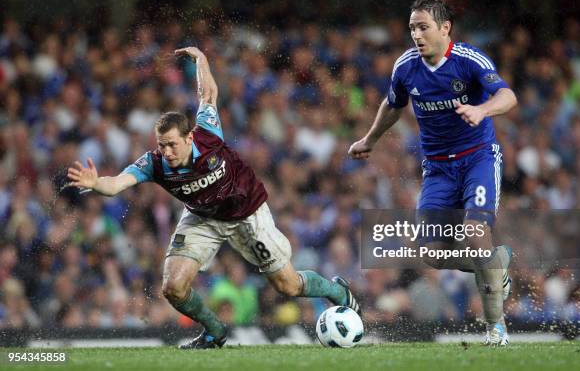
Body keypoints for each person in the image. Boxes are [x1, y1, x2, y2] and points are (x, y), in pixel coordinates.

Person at [67, 46, 360, 349]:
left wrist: (202, 62)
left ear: (189, 137)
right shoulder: (153, 164)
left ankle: (336, 291)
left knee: (287, 285)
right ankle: (214, 331)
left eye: (171, 145)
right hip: (203, 218)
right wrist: (96, 182)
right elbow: (117, 183)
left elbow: (207, 95)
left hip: (248, 213)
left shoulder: (208, 132)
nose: (166, 152)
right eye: (161, 145)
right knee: (173, 287)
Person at [349, 0, 516, 346]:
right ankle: (494, 267)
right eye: (412, 28)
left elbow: (507, 96)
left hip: (478, 158)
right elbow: (393, 105)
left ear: (445, 28)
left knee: (475, 233)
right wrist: (370, 139)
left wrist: (482, 110)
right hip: (438, 169)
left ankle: (496, 327)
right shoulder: (406, 66)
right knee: (432, 253)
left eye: (423, 27)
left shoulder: (469, 61)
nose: (416, 35)